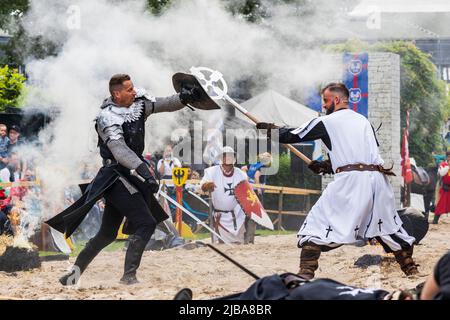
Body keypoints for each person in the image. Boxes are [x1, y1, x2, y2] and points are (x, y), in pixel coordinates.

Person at [46, 73, 207, 285]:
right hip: (114, 178)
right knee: (146, 223)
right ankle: (128, 276)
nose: (134, 91)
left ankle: (72, 276)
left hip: (128, 176)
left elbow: (163, 104)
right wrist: (144, 171)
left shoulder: (138, 104)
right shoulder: (106, 118)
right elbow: (120, 151)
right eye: (129, 89)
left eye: (133, 88)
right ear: (117, 93)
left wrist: (184, 97)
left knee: (106, 234)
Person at [257, 82, 418, 279]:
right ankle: (411, 269)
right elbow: (362, 156)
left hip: (351, 183)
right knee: (385, 227)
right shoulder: (363, 121)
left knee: (316, 224)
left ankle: (305, 273)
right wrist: (327, 165)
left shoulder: (327, 121)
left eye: (325, 100)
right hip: (378, 182)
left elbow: (292, 135)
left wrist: (271, 130)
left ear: (337, 99)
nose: (323, 106)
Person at [198, 146, 249, 244]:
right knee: (220, 243)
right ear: (221, 158)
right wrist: (205, 186)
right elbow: (201, 187)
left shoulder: (241, 174)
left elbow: (248, 193)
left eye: (231, 156)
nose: (229, 158)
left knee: (238, 243)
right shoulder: (211, 172)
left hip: (237, 215)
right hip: (219, 217)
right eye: (226, 155)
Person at [433, 151, 450, 224]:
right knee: (441, 204)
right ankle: (435, 220)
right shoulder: (442, 165)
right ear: (447, 157)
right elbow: (442, 173)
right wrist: (448, 166)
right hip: (444, 188)